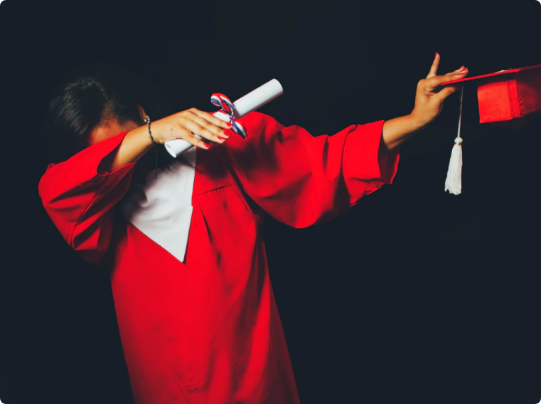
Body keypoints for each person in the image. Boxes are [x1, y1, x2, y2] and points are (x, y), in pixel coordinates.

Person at [39, 54, 468, 404]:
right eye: (110, 156)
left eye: (124, 143)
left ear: (140, 113)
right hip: (162, 390)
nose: (122, 165)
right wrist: (148, 134)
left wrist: (415, 119)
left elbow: (325, 162)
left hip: (250, 382)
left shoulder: (222, 151)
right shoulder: (92, 209)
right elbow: (59, 187)